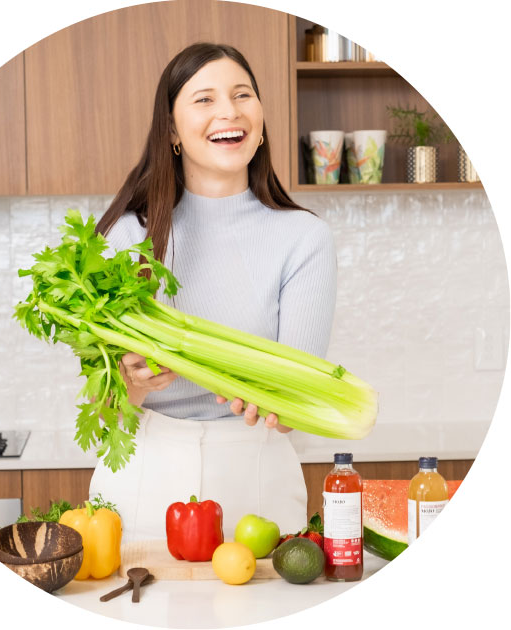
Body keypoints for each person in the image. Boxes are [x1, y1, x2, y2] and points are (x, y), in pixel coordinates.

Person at [90, 42, 337, 543]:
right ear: (172, 131)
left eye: (242, 94)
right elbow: (104, 411)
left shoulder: (304, 239)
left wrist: (278, 405)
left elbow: (298, 399)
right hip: (142, 475)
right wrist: (132, 382)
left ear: (261, 121)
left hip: (258, 477)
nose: (229, 110)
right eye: (204, 99)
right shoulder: (123, 238)